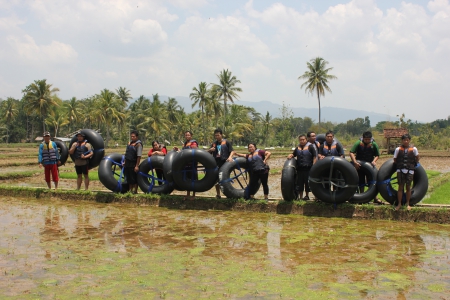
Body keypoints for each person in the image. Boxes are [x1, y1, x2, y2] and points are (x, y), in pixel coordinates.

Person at [349, 131, 382, 204]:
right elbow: (351, 152)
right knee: (361, 181)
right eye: (366, 139)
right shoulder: (358, 143)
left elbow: (377, 155)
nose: (367, 141)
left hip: (369, 166)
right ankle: (361, 197)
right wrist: (355, 162)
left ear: (371, 138)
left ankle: (375, 198)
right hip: (359, 165)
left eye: (368, 139)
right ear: (363, 138)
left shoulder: (374, 144)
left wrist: (374, 161)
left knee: (372, 181)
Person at [393, 134, 419, 211]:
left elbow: (417, 158)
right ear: (402, 140)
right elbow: (395, 159)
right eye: (404, 140)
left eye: (407, 140)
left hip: (410, 170)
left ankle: (408, 203)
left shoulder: (414, 149)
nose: (406, 141)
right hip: (400, 170)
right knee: (400, 187)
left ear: (409, 140)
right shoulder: (398, 149)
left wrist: (413, 164)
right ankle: (399, 204)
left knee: (408, 187)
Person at [288, 134, 317, 200]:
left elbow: (314, 156)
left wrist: (314, 165)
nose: (302, 141)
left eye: (303, 140)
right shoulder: (297, 148)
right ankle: (300, 197)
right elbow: (294, 154)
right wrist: (290, 155)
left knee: (307, 183)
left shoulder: (310, 147)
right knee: (300, 183)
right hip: (300, 169)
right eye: (300, 140)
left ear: (306, 140)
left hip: (308, 168)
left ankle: (307, 196)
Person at [208, 128, 233, 199]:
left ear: (221, 135)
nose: (217, 137)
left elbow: (232, 151)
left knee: (225, 178)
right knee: (216, 179)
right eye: (215, 135)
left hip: (225, 162)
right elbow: (207, 153)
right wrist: (210, 150)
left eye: (218, 135)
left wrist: (230, 157)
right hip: (216, 162)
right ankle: (218, 194)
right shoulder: (214, 144)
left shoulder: (226, 142)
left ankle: (229, 193)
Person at [173, 131, 198, 200]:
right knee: (187, 179)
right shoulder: (185, 144)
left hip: (192, 163)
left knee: (193, 179)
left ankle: (193, 195)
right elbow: (183, 152)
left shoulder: (193, 143)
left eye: (188, 135)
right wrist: (178, 150)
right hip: (186, 164)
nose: (187, 136)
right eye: (186, 135)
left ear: (191, 136)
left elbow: (194, 151)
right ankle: (187, 194)